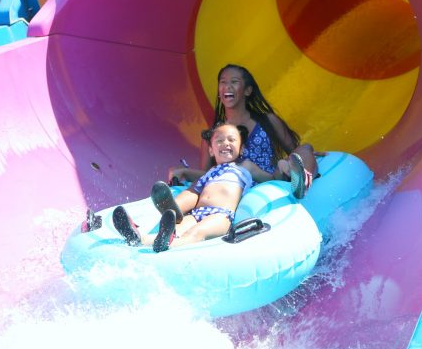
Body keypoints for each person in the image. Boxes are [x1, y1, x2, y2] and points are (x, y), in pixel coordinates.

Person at [112, 122, 285, 253]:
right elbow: (196, 188)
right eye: (219, 141)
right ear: (211, 150)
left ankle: (167, 242)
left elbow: (270, 179)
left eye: (232, 140)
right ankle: (138, 237)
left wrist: (283, 169)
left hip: (221, 214)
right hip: (196, 213)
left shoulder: (245, 166)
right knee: (176, 229)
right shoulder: (211, 172)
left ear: (241, 149)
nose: (225, 143)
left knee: (197, 233)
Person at [168, 64, 318, 198]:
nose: (227, 86)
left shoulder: (267, 121)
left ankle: (302, 185)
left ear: (247, 91)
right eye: (223, 82)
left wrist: (308, 156)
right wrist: (182, 171)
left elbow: (294, 152)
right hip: (238, 188)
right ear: (220, 93)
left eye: (234, 82)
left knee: (305, 148)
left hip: (272, 180)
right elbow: (207, 175)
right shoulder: (214, 135)